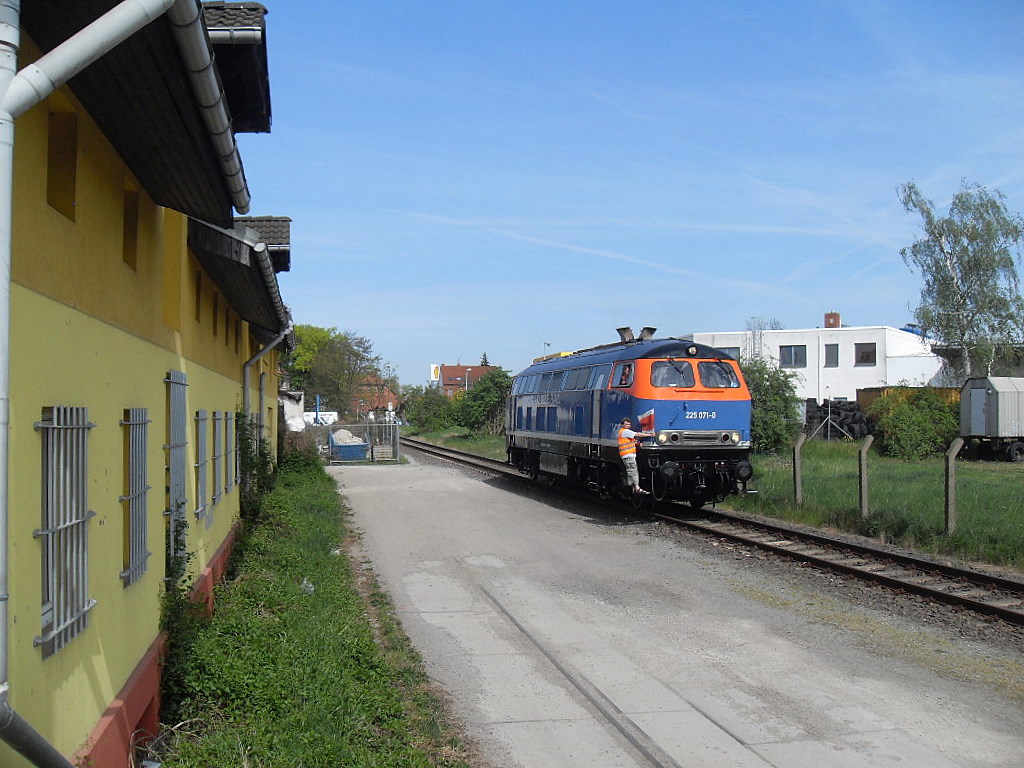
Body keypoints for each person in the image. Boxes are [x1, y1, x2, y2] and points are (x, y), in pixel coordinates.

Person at [617, 417, 653, 495]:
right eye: (626, 424)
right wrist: (650, 435)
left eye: (629, 424)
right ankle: (637, 488)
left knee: (630, 471)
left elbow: (630, 441)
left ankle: (632, 487)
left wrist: (637, 443)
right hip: (628, 454)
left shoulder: (623, 432)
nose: (628, 426)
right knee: (633, 470)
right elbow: (638, 434)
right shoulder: (625, 431)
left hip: (627, 455)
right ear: (622, 425)